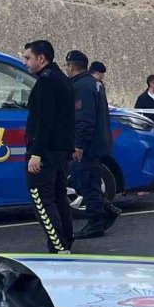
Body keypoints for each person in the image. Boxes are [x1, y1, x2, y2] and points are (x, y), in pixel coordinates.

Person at [22, 40, 75, 254]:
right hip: (60, 151)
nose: (25, 61)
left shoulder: (46, 82)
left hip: (46, 152)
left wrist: (37, 153)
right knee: (59, 197)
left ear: (41, 58)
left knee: (41, 199)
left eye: (28, 57)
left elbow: (45, 122)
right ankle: (65, 241)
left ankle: (58, 245)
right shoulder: (60, 79)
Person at [65, 50, 120, 239]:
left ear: (71, 66)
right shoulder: (94, 84)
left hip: (87, 146)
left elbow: (84, 119)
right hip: (97, 143)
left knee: (86, 183)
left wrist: (79, 144)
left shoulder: (81, 86)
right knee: (88, 181)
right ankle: (106, 209)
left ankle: (96, 222)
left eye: (67, 66)